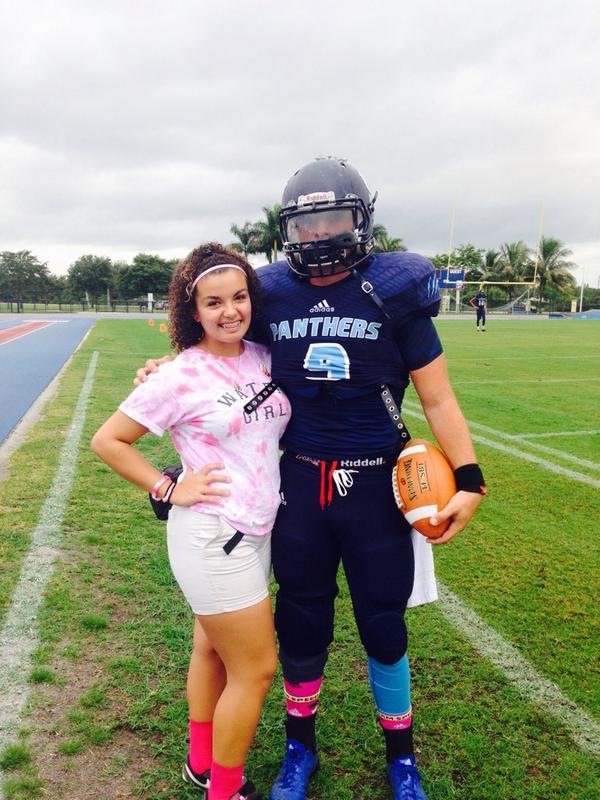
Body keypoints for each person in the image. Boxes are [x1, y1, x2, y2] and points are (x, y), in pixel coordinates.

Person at [136, 158, 485, 800]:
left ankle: (402, 756)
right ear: (288, 230)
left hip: (376, 486)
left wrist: (469, 478)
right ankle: (300, 747)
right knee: (301, 625)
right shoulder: (270, 293)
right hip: (298, 485)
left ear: (362, 220)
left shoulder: (395, 291)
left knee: (384, 624)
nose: (321, 236)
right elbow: (220, 343)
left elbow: (437, 397)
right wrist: (168, 365)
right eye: (308, 224)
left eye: (335, 220)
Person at [93, 243, 291, 800]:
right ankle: (224, 790)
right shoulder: (178, 376)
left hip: (256, 528)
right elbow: (109, 441)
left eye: (239, 297)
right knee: (256, 669)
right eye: (214, 302)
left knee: (210, 648)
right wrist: (168, 487)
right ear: (193, 310)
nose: (230, 311)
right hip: (212, 535)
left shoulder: (262, 355)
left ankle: (201, 761)